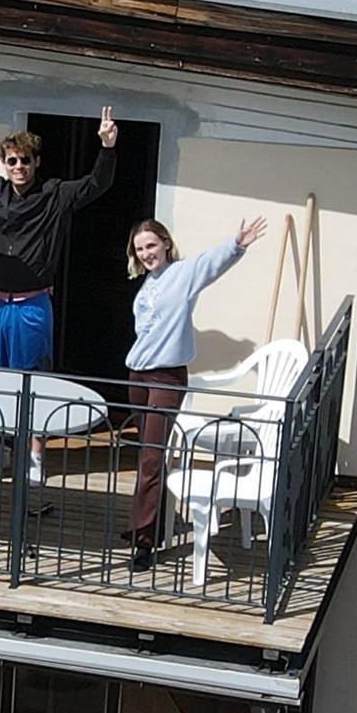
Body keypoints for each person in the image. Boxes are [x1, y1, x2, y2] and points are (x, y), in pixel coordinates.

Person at [0, 95, 122, 476]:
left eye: (25, 160)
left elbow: (97, 184)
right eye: (12, 160)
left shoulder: (55, 194)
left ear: (36, 162)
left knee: (33, 378)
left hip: (32, 305)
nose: (19, 167)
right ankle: (1, 449)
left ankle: (33, 455)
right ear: (4, 163)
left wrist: (107, 148)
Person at [120, 213, 273, 569]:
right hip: (138, 376)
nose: (146, 253)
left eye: (151, 245)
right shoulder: (148, 282)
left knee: (153, 456)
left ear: (166, 244)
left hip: (166, 378)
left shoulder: (183, 273)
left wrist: (236, 244)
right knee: (148, 454)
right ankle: (150, 527)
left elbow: (211, 264)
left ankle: (144, 542)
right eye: (139, 249)